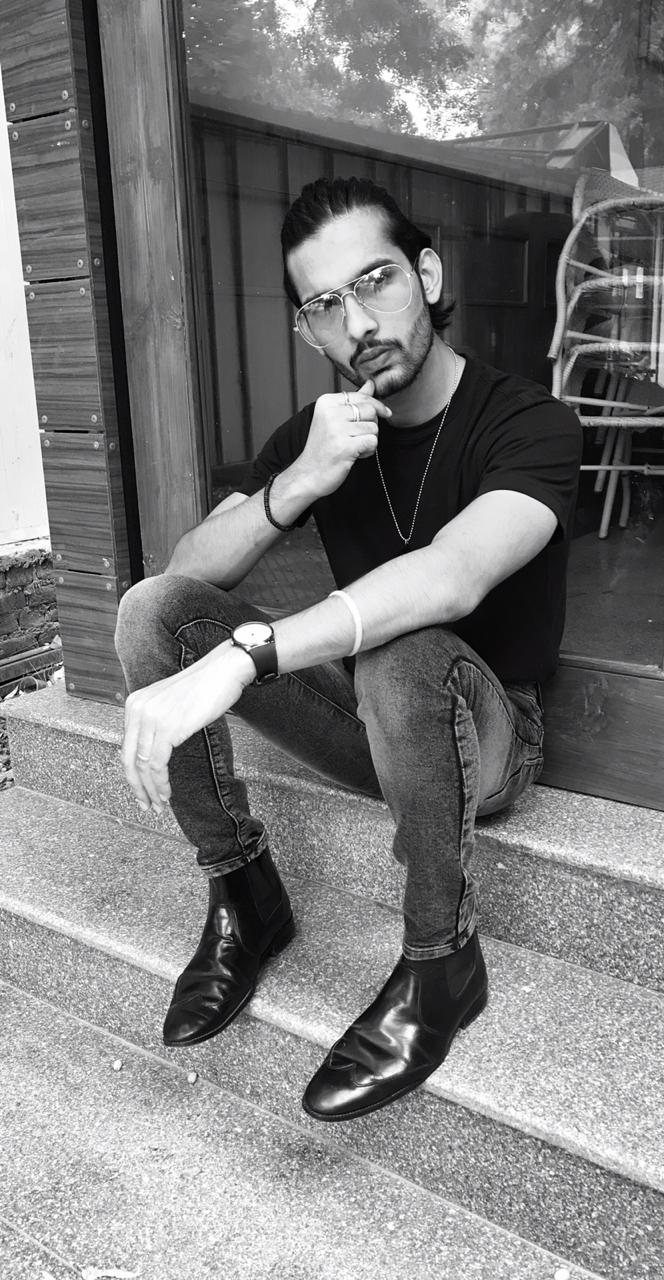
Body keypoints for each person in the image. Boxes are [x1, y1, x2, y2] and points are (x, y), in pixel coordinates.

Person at [114, 176, 582, 1123]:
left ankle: (441, 961)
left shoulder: (529, 420)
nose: (359, 322)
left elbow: (451, 577)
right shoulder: (320, 436)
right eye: (327, 305)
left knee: (405, 649)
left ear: (427, 276)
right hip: (372, 722)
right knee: (153, 611)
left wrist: (246, 657)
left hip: (489, 736)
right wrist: (298, 481)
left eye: (376, 282)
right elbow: (185, 572)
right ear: (309, 331)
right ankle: (245, 894)